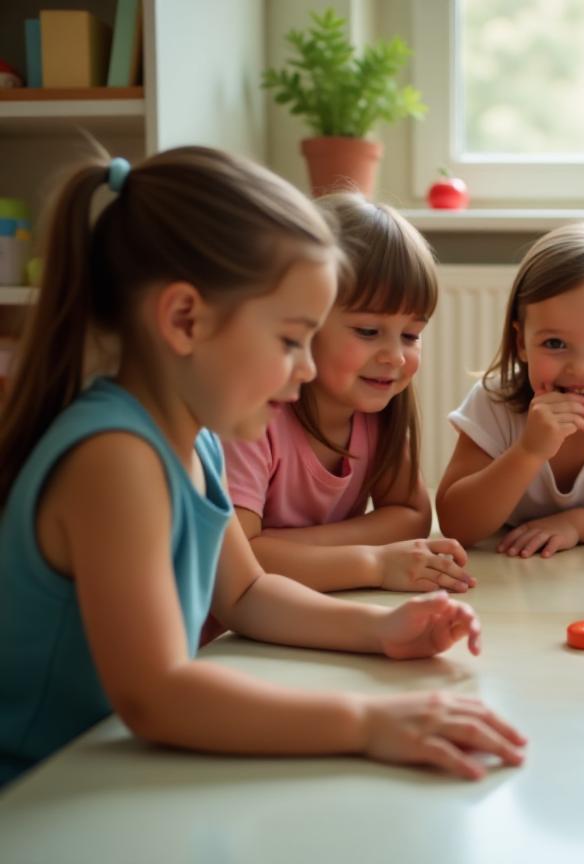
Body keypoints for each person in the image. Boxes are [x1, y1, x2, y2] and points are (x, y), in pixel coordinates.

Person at [0, 148, 524, 786]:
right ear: (185, 320)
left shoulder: (196, 442)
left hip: (109, 771)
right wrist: (367, 723)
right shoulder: (115, 460)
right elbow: (156, 696)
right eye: (289, 340)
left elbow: (246, 594)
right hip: (39, 791)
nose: (305, 369)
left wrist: (382, 628)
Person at [224, 194, 472, 594]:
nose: (394, 356)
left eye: (411, 335)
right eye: (368, 331)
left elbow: (411, 516)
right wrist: (372, 562)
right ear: (305, 321)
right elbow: (240, 561)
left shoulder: (376, 410)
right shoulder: (255, 416)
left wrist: (280, 547)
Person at [436, 223, 584, 557]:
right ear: (521, 342)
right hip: (504, 567)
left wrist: (574, 525)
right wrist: (529, 451)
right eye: (555, 343)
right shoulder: (494, 402)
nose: (580, 368)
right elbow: (456, 525)